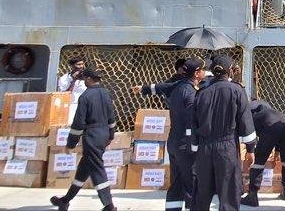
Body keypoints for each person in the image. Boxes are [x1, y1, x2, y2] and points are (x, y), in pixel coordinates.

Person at [131, 57, 204, 211]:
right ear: (197, 73)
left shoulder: (178, 86)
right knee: (192, 184)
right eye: (203, 69)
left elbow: (161, 87)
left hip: (173, 142)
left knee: (176, 183)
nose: (205, 72)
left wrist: (143, 89)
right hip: (186, 145)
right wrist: (194, 145)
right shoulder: (190, 93)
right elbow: (190, 121)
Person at [191, 55, 257, 211]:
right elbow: (246, 121)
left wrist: (195, 149)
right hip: (226, 148)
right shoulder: (236, 90)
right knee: (228, 194)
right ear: (230, 71)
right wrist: (250, 150)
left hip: (204, 148)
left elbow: (193, 124)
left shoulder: (201, 93)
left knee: (201, 193)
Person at [51, 69, 117, 211]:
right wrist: (111, 134)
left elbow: (78, 123)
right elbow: (112, 117)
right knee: (84, 169)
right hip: (104, 134)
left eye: (84, 79)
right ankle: (66, 200)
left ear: (88, 79)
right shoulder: (106, 93)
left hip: (92, 136)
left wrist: (71, 143)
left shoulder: (85, 96)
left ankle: (109, 205)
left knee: (97, 169)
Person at [241, 99, 285, 207]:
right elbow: (277, 133)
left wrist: (250, 151)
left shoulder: (249, 114)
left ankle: (252, 195)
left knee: (258, 160)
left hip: (270, 125)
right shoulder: (266, 108)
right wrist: (277, 153)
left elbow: (250, 136)